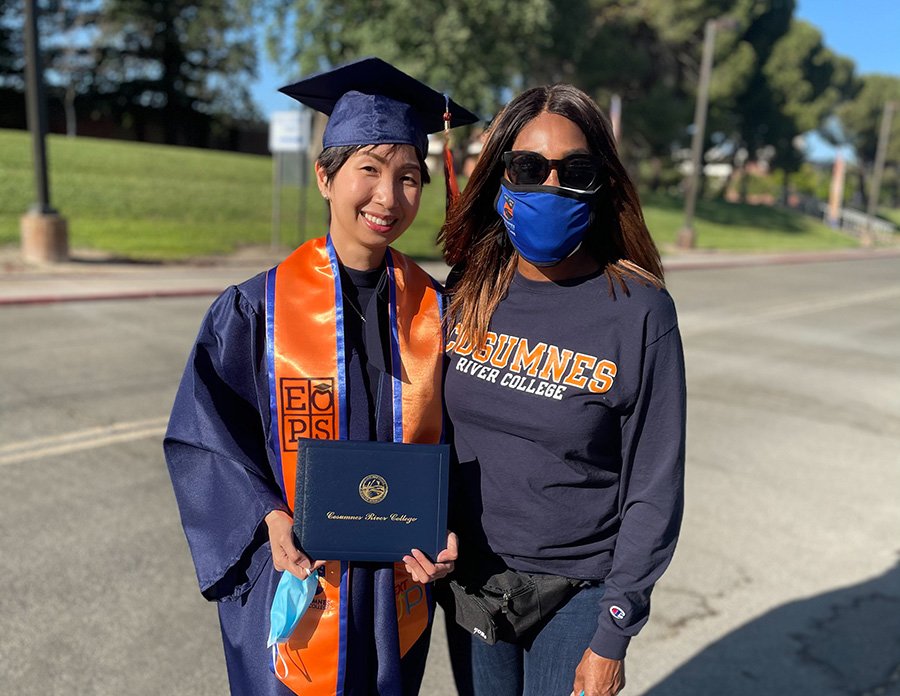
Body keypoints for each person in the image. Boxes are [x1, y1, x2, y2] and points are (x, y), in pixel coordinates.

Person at [164, 57, 477, 696]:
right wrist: (270, 518)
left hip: (396, 593)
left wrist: (448, 528)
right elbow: (207, 439)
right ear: (324, 177)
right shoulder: (256, 310)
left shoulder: (440, 311)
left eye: (410, 176)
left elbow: (465, 445)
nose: (388, 197)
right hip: (298, 584)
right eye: (369, 170)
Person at [437, 83, 686, 696]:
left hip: (578, 590)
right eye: (528, 168)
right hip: (472, 581)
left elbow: (653, 486)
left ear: (600, 182)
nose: (551, 187)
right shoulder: (465, 292)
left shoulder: (639, 312)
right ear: (500, 176)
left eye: (573, 170)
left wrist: (614, 632)